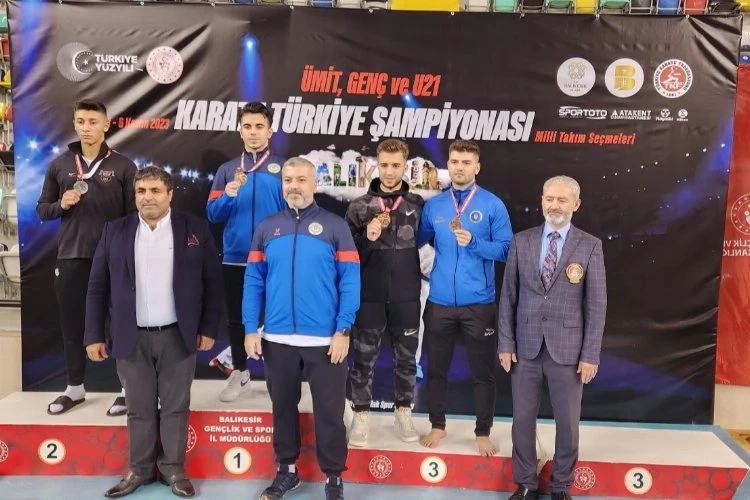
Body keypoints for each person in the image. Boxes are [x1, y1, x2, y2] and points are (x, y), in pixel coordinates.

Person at [84, 166, 223, 498]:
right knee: (138, 408)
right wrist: (93, 335)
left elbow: (213, 284)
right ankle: (140, 470)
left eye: (155, 190)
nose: (148, 197)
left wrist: (207, 328)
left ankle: (173, 470)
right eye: (141, 191)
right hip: (130, 337)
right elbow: (97, 286)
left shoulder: (195, 229)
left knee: (176, 406)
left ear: (169, 194)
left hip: (178, 335)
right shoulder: (115, 231)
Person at [243, 157, 359, 500]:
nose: (293, 186)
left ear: (314, 184)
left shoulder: (335, 226)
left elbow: (350, 281)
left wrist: (343, 330)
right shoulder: (267, 228)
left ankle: (333, 478)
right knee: (282, 408)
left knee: (330, 413)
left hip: (325, 340)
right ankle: (287, 471)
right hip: (277, 339)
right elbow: (253, 281)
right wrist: (250, 328)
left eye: (301, 180)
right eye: (288, 180)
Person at [498, 176, 606, 500]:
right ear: (541, 200)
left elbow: (596, 304)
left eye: (561, 200)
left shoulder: (590, 245)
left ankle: (560, 487)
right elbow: (508, 297)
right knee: (522, 421)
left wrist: (590, 354)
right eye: (549, 199)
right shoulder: (522, 242)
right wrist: (506, 343)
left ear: (576, 204)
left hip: (569, 351)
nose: (554, 206)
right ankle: (526, 484)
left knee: (568, 424)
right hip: (525, 347)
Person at [36, 99, 137, 417]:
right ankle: (75, 387)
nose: (86, 127)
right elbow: (43, 210)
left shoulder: (124, 166)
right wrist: (61, 205)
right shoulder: (59, 165)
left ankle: (127, 389)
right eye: (81, 121)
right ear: (74, 124)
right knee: (72, 323)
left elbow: (134, 216)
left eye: (93, 121)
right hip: (72, 256)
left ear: (106, 125)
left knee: (121, 323)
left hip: (113, 258)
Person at [417, 139, 512, 457]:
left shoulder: (492, 205)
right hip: (439, 302)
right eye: (455, 161)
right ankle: (437, 425)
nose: (460, 167)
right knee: (436, 369)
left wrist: (474, 243)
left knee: (482, 372)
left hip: (479, 303)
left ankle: (482, 431)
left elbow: (507, 250)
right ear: (448, 164)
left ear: (477, 167)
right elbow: (415, 241)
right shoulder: (434, 207)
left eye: (466, 162)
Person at [345, 139, 424, 447]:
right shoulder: (359, 206)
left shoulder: (418, 204)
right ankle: (361, 415)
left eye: (396, 165)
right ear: (376, 165)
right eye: (385, 165)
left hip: (407, 295)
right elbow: (346, 254)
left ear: (405, 166)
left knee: (407, 360)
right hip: (369, 295)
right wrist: (367, 236)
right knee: (363, 359)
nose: (390, 172)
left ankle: (403, 412)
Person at [206, 102, 285, 403]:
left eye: (259, 126)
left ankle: (278, 377)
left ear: (270, 130)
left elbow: (295, 212)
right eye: (248, 127)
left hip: (274, 258)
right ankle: (240, 373)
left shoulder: (283, 168)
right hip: (236, 257)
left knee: (277, 317)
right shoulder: (227, 170)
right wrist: (227, 196)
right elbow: (213, 214)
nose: (253, 132)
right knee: (237, 319)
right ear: (240, 131)